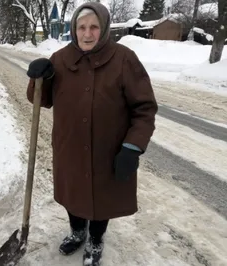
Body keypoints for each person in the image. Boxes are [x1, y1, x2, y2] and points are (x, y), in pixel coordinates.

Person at [26, 2, 158, 266]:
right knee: (73, 193)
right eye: (81, 27)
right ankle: (77, 231)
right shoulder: (61, 59)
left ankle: (96, 238)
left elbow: (145, 108)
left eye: (94, 27)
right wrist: (39, 78)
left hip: (108, 149)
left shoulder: (124, 59)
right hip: (70, 147)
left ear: (105, 28)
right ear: (74, 29)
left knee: (102, 197)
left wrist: (133, 146)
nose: (87, 34)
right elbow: (41, 99)